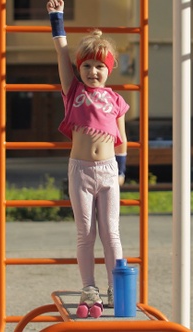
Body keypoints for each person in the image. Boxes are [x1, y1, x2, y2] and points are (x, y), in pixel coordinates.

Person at [47, 0, 128, 318]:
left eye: (100, 66)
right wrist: (57, 18)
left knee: (112, 232)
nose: (93, 72)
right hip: (80, 171)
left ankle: (115, 286)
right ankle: (89, 287)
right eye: (87, 66)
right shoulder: (73, 91)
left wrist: (121, 171)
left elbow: (122, 140)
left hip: (108, 172)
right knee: (85, 232)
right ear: (78, 70)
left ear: (109, 70)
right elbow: (62, 52)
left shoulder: (116, 100)